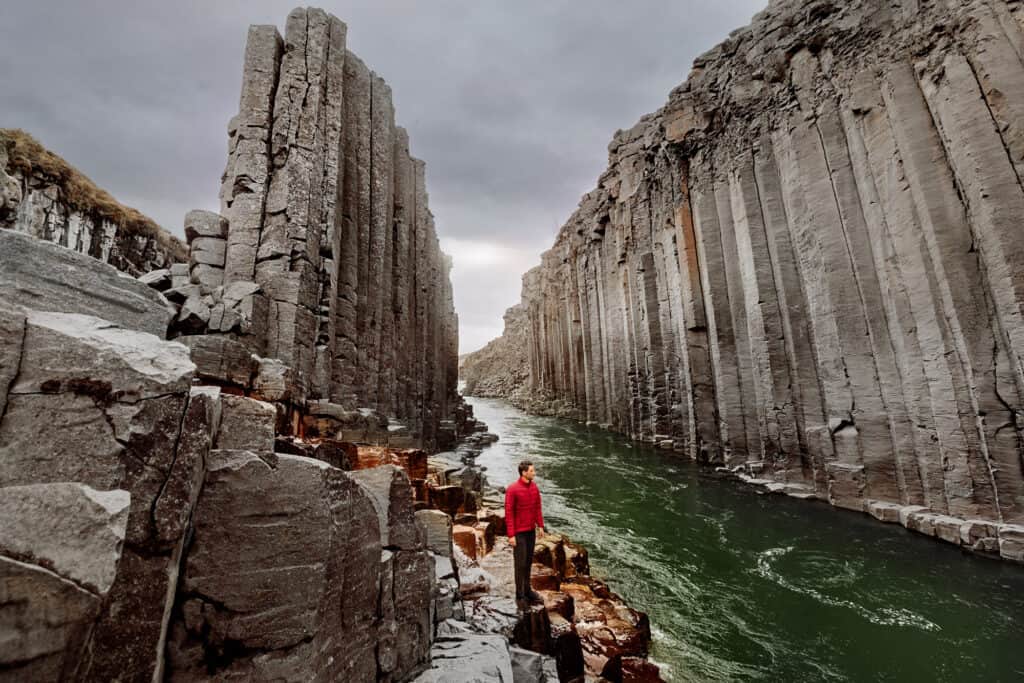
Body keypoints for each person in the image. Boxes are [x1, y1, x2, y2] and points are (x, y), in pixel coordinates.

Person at [505, 459, 545, 606]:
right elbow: (509, 513)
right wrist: (511, 535)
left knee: (528, 562)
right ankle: (520, 594)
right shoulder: (512, 489)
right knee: (520, 564)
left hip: (530, 531)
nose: (534, 473)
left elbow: (537, 508)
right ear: (524, 472)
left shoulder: (534, 488)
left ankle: (528, 590)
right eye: (532, 471)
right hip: (518, 533)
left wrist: (540, 526)